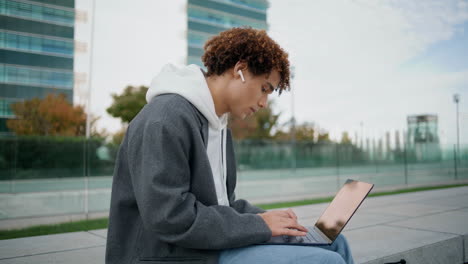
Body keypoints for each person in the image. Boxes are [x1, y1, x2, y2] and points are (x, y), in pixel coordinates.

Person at [105, 27, 354, 264]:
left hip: (208, 244)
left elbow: (222, 205)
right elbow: (169, 216)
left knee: (334, 242)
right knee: (325, 260)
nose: (264, 103)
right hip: (168, 255)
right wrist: (260, 225)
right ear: (240, 70)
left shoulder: (218, 126)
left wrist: (267, 218)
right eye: (264, 89)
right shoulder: (165, 119)